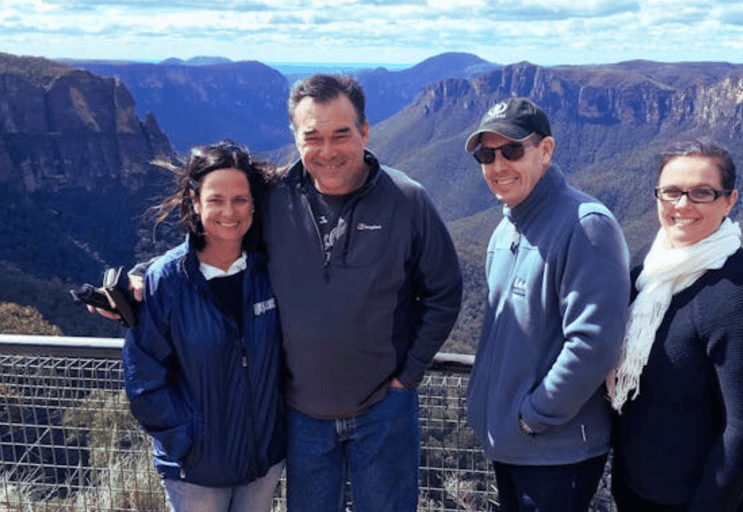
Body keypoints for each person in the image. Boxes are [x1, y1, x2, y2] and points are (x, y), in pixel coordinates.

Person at [264, 73, 462, 512]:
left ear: (365, 131)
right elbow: (215, 235)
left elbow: (444, 292)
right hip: (300, 414)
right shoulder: (272, 199)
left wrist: (406, 375)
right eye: (312, 136)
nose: (328, 151)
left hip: (383, 410)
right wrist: (145, 276)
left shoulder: (407, 200)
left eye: (342, 134)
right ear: (294, 137)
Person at [464, 97, 631, 512]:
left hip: (555, 453)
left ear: (546, 150)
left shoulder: (585, 226)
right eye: (487, 154)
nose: (498, 166)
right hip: (512, 446)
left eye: (512, 150)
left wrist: (533, 416)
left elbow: (594, 345)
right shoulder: (505, 232)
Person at [122, 141, 286, 512]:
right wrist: (185, 443)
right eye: (216, 200)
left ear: (254, 204)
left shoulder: (271, 270)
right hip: (196, 471)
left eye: (240, 200)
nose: (229, 211)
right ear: (195, 202)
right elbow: (144, 378)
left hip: (263, 461)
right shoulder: (166, 280)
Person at [608, 139, 743, 512]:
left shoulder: (742, 292)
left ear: (729, 200)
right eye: (671, 192)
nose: (682, 205)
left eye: (701, 193)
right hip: (637, 491)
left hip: (695, 500)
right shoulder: (651, 272)